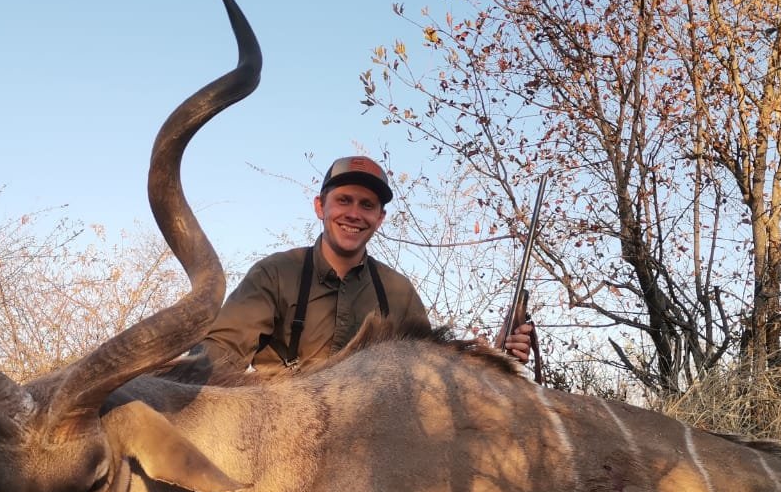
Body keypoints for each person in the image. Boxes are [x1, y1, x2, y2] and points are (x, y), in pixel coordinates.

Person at [187, 155, 534, 380]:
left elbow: (431, 374)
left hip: (371, 445)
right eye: (344, 200)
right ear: (320, 206)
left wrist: (496, 358)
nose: (354, 213)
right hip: (284, 429)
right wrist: (183, 381)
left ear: (379, 219)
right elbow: (220, 352)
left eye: (367, 205)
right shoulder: (276, 273)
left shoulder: (398, 291)